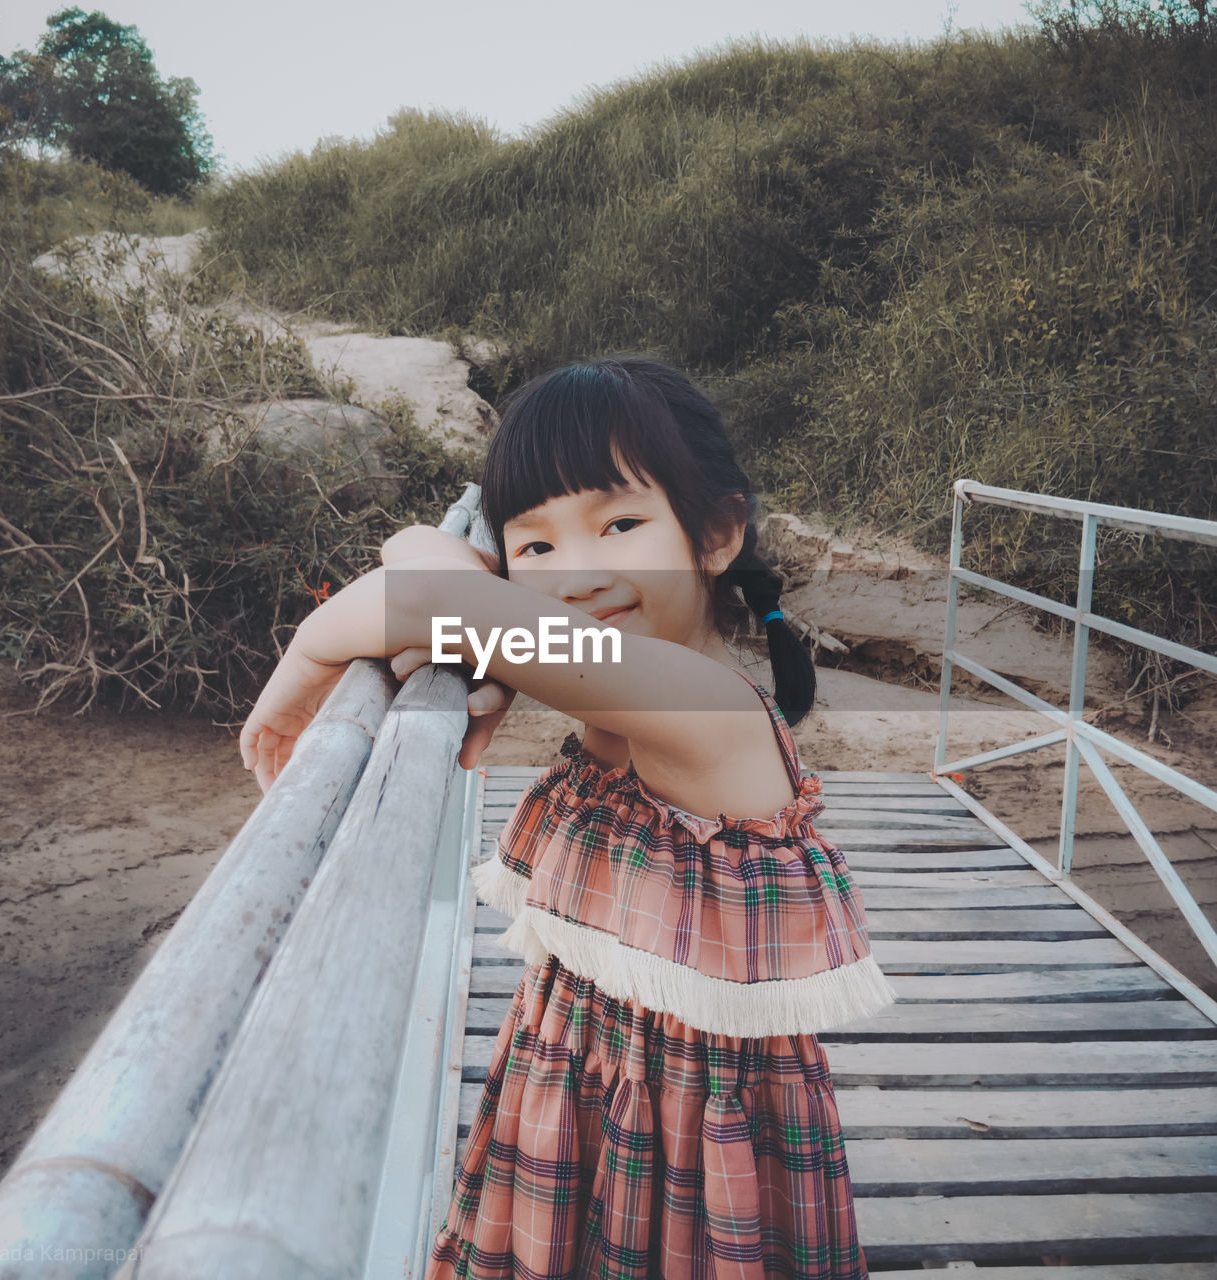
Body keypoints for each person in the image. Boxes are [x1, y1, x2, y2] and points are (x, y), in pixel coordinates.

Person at [240, 355, 898, 1279]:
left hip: (687, 1174)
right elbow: (417, 552)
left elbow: (425, 587)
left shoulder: (704, 707)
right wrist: (491, 626)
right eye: (536, 545)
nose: (575, 573)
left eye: (621, 524)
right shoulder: (618, 690)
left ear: (716, 534)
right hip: (580, 1106)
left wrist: (309, 655)